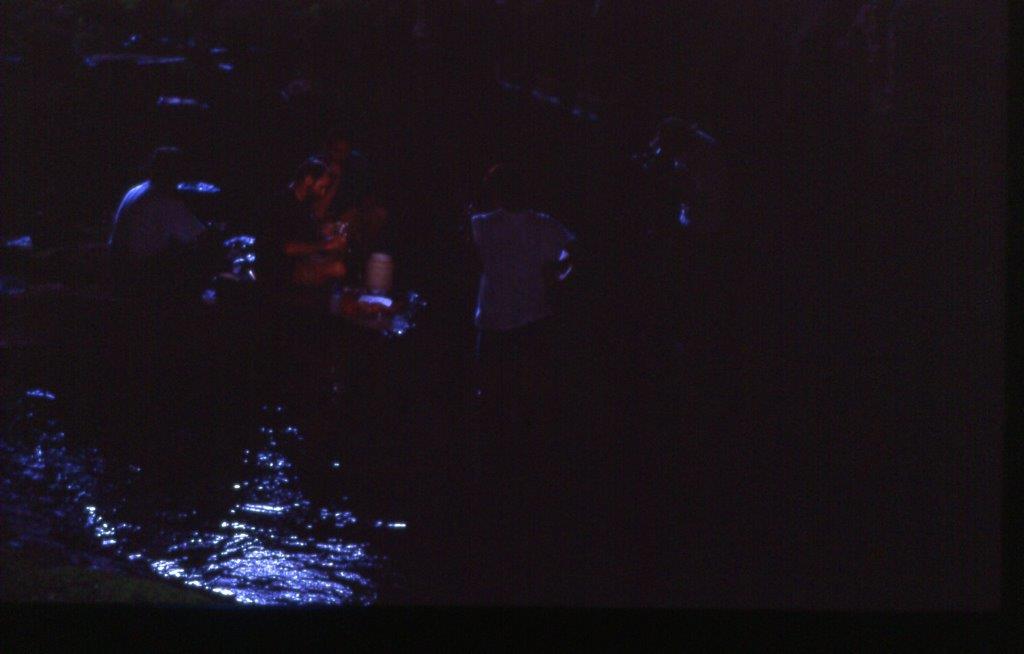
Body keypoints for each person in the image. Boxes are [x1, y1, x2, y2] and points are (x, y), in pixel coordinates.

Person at [470, 163, 575, 426]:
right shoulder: (543, 224)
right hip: (529, 321)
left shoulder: (482, 225)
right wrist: (557, 277)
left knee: (496, 396)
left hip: (499, 323)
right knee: (527, 397)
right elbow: (574, 254)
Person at [109, 146, 212, 297]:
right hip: (140, 276)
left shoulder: (136, 190)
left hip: (118, 268)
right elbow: (197, 236)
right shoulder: (165, 201)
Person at [257, 157, 348, 289]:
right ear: (308, 180)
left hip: (298, 261)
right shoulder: (282, 203)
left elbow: (307, 233)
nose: (323, 193)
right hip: (278, 267)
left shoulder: (304, 203)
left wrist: (325, 231)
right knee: (337, 268)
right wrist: (325, 245)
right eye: (321, 187)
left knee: (339, 256)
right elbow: (286, 248)